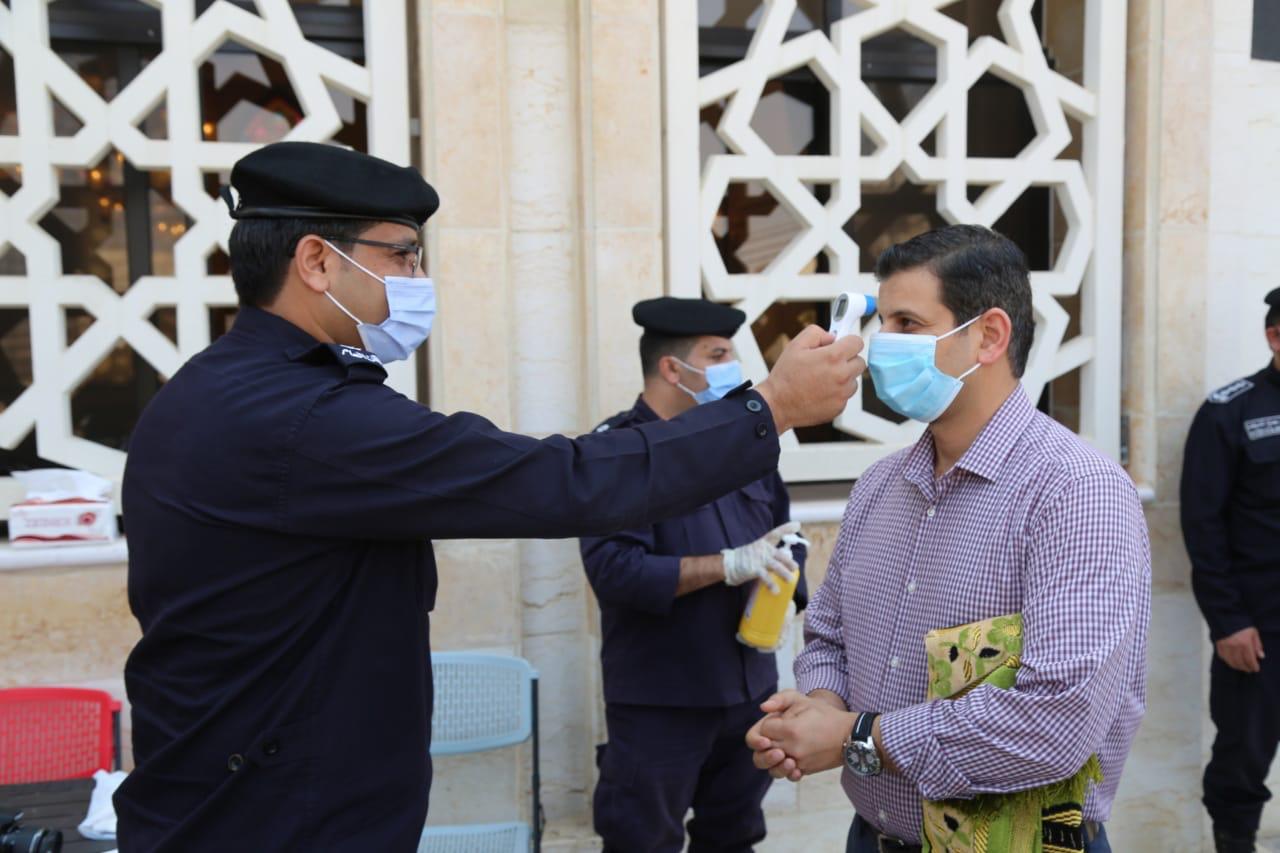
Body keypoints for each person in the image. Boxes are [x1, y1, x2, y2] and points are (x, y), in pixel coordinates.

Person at [112, 141, 867, 851]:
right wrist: (769, 406)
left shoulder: (220, 391)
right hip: (273, 815)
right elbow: (559, 480)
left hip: (255, 792)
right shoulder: (302, 417)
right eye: (401, 255)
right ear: (316, 261)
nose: (417, 279)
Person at [745, 225, 1150, 853]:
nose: (880, 346)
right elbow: (828, 634)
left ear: (989, 336)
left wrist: (853, 736)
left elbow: (1056, 719)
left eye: (908, 324)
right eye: (883, 322)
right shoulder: (880, 485)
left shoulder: (1076, 492)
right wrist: (819, 710)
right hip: (874, 835)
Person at [580, 297, 808, 852]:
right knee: (642, 841)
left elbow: (783, 533)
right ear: (672, 368)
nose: (734, 368)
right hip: (663, 700)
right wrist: (726, 566)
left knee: (734, 837)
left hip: (747, 692)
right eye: (718, 355)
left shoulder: (742, 446)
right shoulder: (616, 452)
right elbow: (615, 570)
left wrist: (786, 586)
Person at [1180, 286, 1280, 853]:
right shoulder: (1230, 412)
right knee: (1241, 759)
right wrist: (1228, 622)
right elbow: (1203, 526)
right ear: (1274, 336)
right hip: (1259, 630)